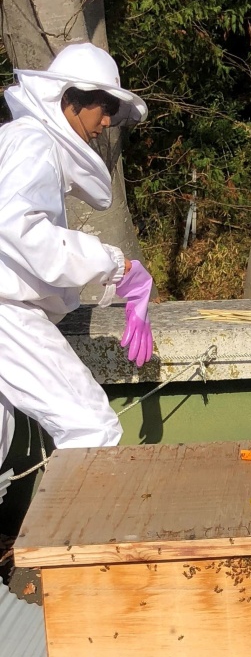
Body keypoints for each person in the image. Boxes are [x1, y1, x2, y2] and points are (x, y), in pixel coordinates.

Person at [0, 42, 154, 465]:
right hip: (7, 313)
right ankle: (75, 534)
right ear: (70, 101)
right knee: (91, 427)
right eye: (102, 108)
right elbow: (18, 226)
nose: (105, 122)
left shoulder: (18, 140)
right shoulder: (34, 143)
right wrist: (113, 264)